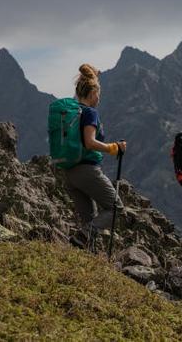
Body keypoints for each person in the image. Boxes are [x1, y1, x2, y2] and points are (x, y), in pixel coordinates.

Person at [65, 64, 127, 250]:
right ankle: (85, 235)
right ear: (92, 93)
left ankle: (86, 262)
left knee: (89, 220)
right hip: (87, 171)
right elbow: (90, 141)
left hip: (69, 173)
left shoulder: (72, 112)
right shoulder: (90, 112)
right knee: (117, 210)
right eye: (98, 93)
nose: (99, 97)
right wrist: (113, 148)